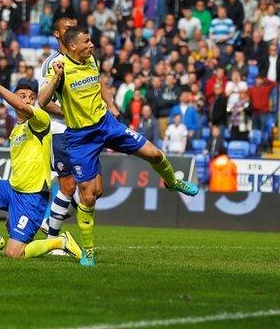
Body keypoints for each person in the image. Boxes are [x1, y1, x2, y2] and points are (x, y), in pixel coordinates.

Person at [39, 25, 199, 266]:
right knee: (89, 196)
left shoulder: (91, 59)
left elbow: (100, 83)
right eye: (87, 42)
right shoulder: (59, 67)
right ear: (73, 46)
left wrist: (111, 105)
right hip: (81, 138)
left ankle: (173, 182)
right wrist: (57, 78)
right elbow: (41, 102)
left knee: (155, 154)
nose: (92, 45)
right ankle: (89, 252)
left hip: (106, 124)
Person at [0, 74, 82, 261]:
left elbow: (22, 107)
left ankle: (60, 242)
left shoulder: (40, 120)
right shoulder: (16, 129)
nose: (27, 99)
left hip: (32, 196)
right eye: (22, 95)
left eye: (31, 97)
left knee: (14, 253)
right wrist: (11, 209)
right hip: (12, 189)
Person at [38, 16, 79, 254]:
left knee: (93, 190)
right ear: (57, 34)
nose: (73, 31)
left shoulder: (82, 60)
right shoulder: (53, 63)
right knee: (69, 184)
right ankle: (53, 240)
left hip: (83, 132)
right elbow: (45, 102)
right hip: (61, 130)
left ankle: (50, 222)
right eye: (68, 28)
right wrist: (71, 113)